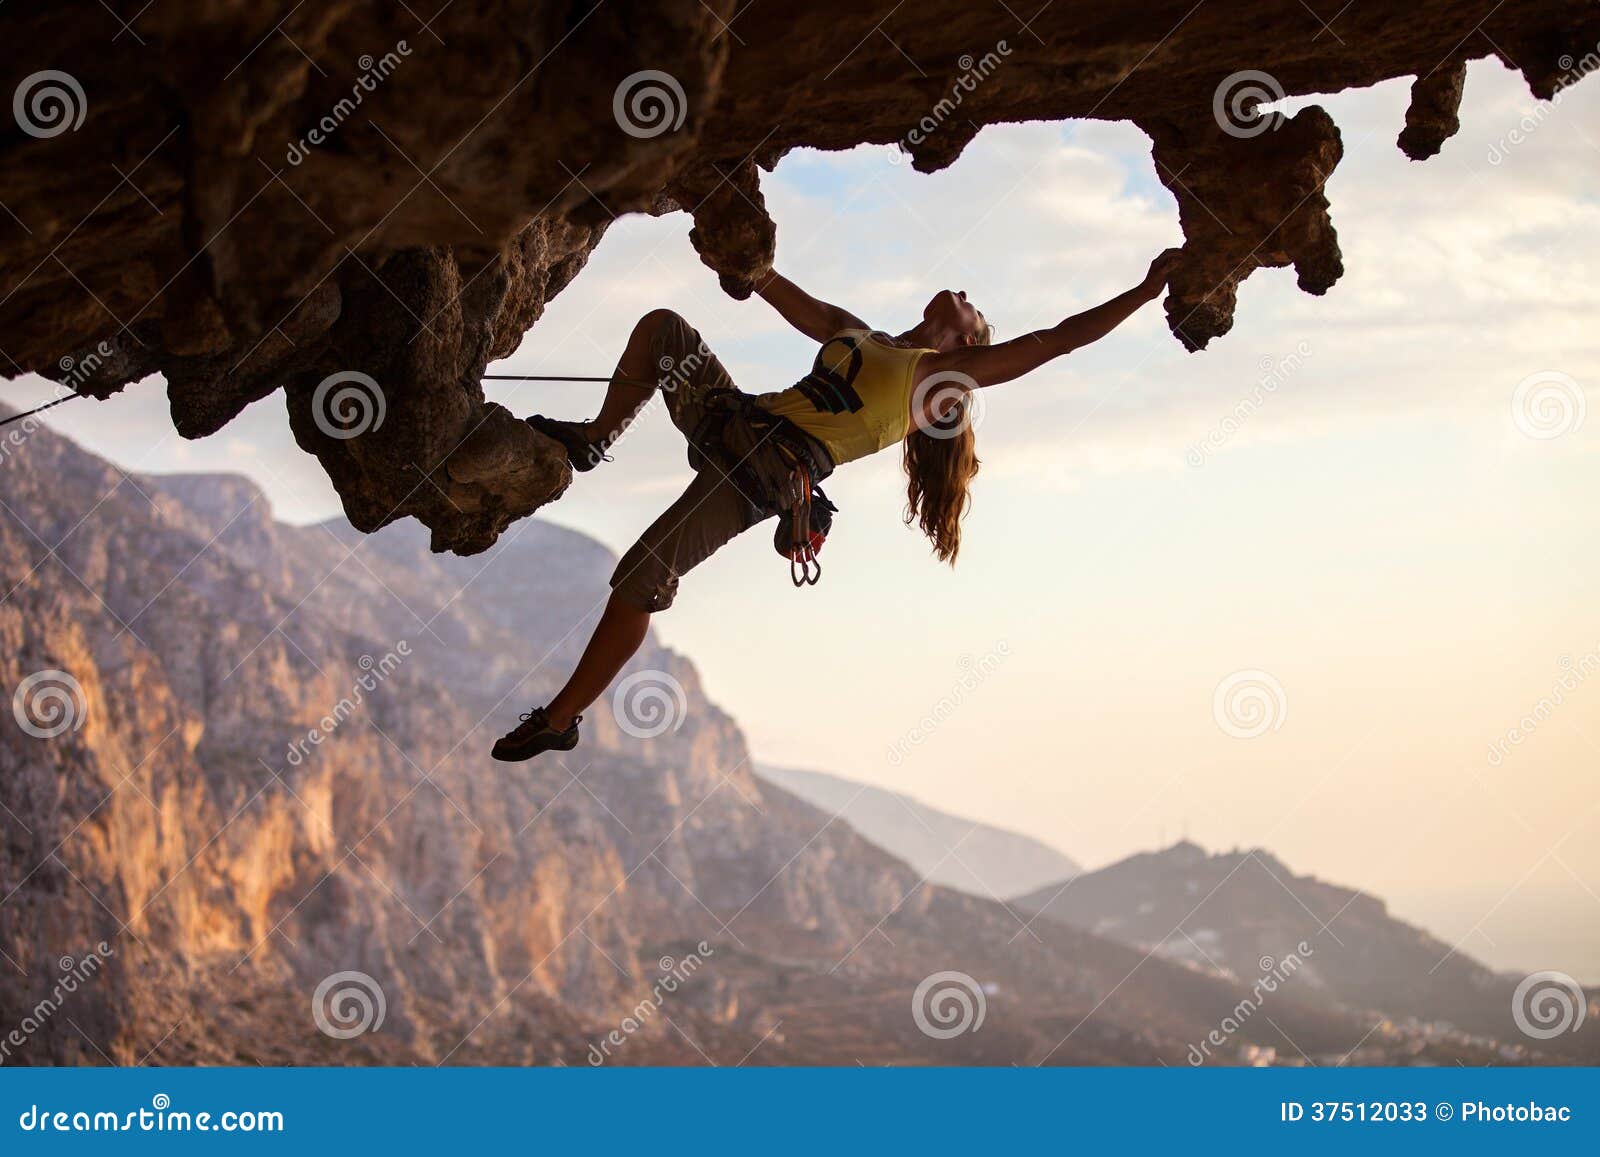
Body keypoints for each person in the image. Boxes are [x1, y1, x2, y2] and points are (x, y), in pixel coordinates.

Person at [492, 248, 1184, 761]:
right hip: (734, 418)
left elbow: (1055, 340)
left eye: (973, 308)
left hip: (764, 474)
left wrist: (1146, 289)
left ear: (971, 341)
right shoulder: (863, 335)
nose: (966, 293)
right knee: (664, 330)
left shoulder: (937, 379)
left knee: (643, 574)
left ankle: (562, 719)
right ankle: (592, 438)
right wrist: (741, 257)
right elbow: (780, 291)